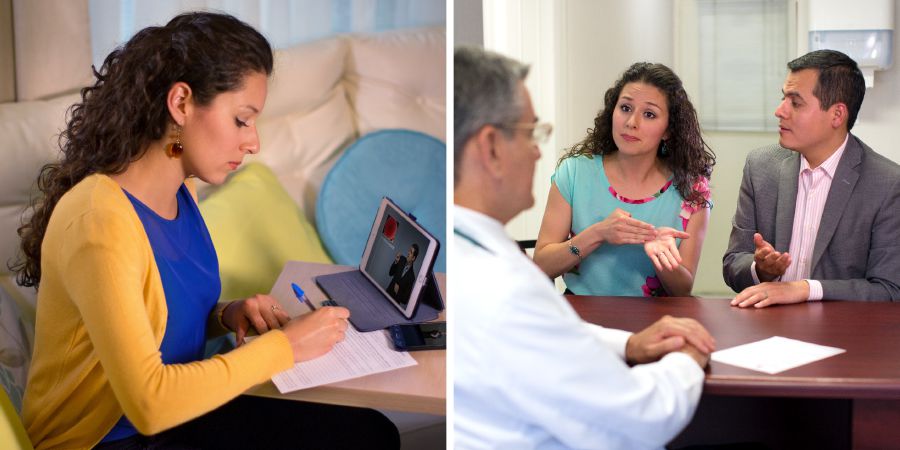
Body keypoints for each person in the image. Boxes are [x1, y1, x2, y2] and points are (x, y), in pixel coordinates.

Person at [13, 12, 398, 449]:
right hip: (111, 439)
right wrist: (286, 346)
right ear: (181, 104)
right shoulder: (99, 219)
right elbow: (149, 404)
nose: (254, 143)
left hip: (179, 418)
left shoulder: (181, 190)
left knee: (369, 431)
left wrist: (227, 314)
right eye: (242, 119)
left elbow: (159, 317)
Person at [454, 45, 715, 449]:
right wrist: (687, 359)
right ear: (490, 148)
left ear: (668, 128)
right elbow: (641, 420)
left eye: (649, 114)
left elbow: (550, 335)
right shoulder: (510, 287)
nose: (539, 151)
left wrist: (628, 342)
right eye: (531, 134)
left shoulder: (472, 258)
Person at [724, 49, 900, 308]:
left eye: (795, 103)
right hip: (770, 328)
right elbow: (733, 263)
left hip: (844, 332)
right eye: (783, 98)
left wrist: (806, 289)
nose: (780, 111)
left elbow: (888, 290)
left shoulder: (886, 184)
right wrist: (762, 271)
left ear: (837, 115)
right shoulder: (761, 167)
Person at [533, 62, 715, 297]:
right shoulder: (574, 172)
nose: (631, 122)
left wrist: (661, 257)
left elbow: (682, 290)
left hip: (657, 321)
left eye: (649, 114)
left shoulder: (693, 191)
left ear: (669, 130)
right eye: (626, 108)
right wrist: (597, 234)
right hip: (581, 316)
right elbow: (540, 266)